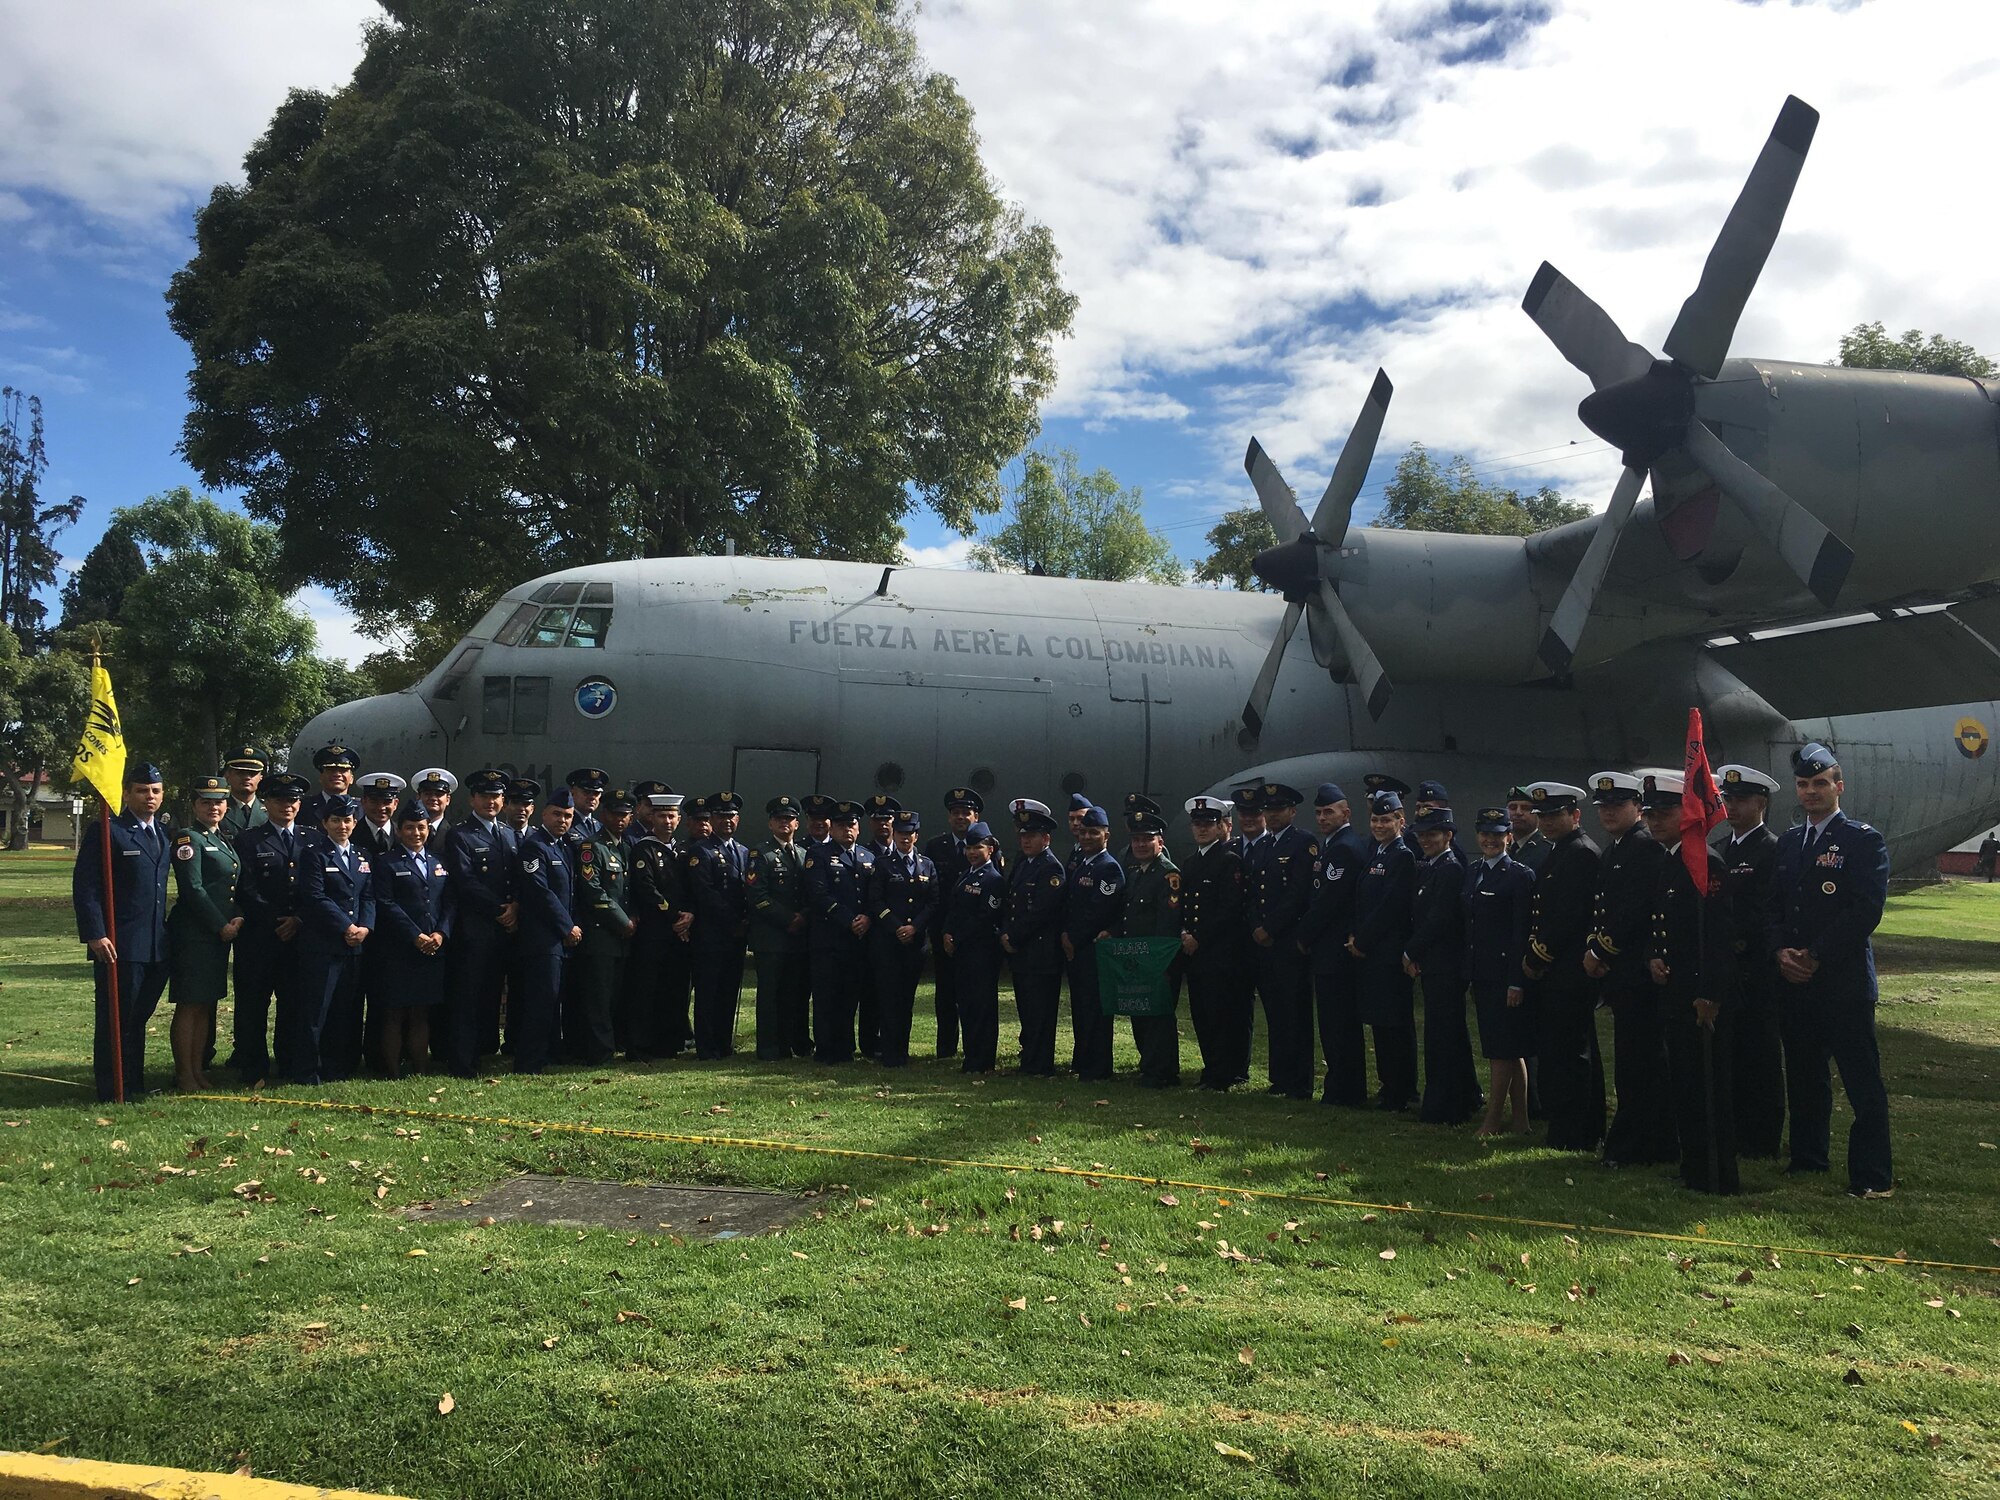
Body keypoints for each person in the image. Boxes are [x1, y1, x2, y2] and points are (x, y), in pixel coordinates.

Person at [1766, 742, 1893, 1197]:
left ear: (1839, 786)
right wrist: (1781, 951)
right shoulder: (1789, 843)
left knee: (1861, 1080)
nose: (1811, 792)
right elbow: (1775, 907)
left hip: (1842, 982)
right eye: (1803, 784)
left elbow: (1865, 911)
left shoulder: (1862, 840)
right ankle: (1808, 1157)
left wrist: (1815, 954)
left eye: (1820, 783)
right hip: (1795, 981)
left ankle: (1873, 1175)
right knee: (1804, 1073)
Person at [1642, 773, 1737, 1194]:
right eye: (1650, 814)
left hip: (1699, 995)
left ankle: (1714, 1174)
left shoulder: (1706, 863)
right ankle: (1692, 1164)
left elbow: (1717, 936)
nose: (1654, 821)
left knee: (1706, 1086)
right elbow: (1662, 925)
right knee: (1683, 1081)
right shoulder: (1670, 859)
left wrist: (1710, 994)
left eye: (1663, 813)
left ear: (1688, 814)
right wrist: (1654, 957)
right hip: (1675, 990)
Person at [1585, 770, 1674, 1168]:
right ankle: (1640, 1139)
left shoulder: (1643, 848)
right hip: (1621, 974)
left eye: (1617, 805)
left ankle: (1641, 1143)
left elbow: (1636, 912)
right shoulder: (1617, 848)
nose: (1608, 813)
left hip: (1638, 973)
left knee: (1642, 1064)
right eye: (1603, 806)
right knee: (1631, 1061)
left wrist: (1601, 950)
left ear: (1637, 808)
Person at [74, 761, 173, 1101]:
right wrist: (95, 933)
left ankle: (134, 1083)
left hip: (155, 945)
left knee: (138, 1017)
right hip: (119, 942)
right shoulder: (107, 830)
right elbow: (86, 886)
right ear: (127, 793)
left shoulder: (162, 833)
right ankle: (112, 1086)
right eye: (142, 791)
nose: (150, 796)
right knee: (117, 1019)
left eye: (155, 791)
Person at [1519, 782, 1604, 1151]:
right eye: (1542, 816)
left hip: (1570, 968)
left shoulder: (1581, 853)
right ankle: (1568, 1124)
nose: (1547, 822)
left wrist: (1538, 955)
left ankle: (1577, 1131)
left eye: (1555, 815)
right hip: (1558, 969)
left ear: (1575, 815)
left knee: (1573, 1053)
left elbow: (1568, 916)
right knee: (1561, 1050)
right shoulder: (1559, 851)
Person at [1714, 764, 1784, 1157]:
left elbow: (1763, 910)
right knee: (1731, 1053)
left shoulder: (1771, 849)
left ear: (1761, 803)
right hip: (1727, 969)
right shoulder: (1723, 848)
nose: (1733, 806)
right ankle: (1736, 1129)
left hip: (1754, 968)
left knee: (1759, 1056)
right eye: (1728, 799)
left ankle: (1761, 1138)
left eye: (1741, 800)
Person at [232, 771, 309, 1085]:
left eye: (292, 800)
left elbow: (318, 885)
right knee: (253, 1005)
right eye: (279, 800)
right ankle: (252, 1066)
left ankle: (289, 1063)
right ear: (266, 803)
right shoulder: (249, 840)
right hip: (260, 937)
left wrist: (299, 919)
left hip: (300, 936)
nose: (287, 806)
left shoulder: (312, 838)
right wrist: (276, 921)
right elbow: (246, 888)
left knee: (293, 1004)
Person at [439, 768, 517, 1077]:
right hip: (475, 930)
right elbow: (466, 881)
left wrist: (517, 907)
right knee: (468, 998)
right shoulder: (461, 834)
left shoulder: (509, 834)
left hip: (506, 930)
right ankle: (462, 1060)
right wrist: (501, 909)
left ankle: (484, 1053)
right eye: (484, 796)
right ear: (472, 799)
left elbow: (518, 877)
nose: (491, 801)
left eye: (496, 796)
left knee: (492, 996)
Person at [167, 775, 242, 1092]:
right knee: (190, 1004)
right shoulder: (189, 839)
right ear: (195, 805)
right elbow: (193, 890)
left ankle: (198, 1071)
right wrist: (220, 925)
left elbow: (228, 887)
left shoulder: (221, 838)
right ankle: (185, 1074)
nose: (214, 807)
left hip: (217, 937)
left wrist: (237, 915)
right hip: (195, 934)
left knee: (205, 1004)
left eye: (219, 802)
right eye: (206, 802)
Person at [1464, 807, 1535, 1137]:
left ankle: (1493, 1120)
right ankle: (1521, 1121)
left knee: (1500, 1050)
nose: (1489, 840)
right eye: (1484, 834)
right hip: (1482, 971)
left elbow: (1521, 932)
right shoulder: (1474, 870)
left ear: (1508, 836)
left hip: (1504, 974)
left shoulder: (1519, 875)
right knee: (1508, 1048)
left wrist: (1516, 981)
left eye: (1496, 834)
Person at [293, 793, 374, 1085]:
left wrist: (365, 926)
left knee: (345, 1009)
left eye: (348, 820)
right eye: (336, 820)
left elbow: (367, 895)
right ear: (325, 823)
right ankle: (307, 1069)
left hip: (354, 945)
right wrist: (345, 926)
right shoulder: (314, 854)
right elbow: (314, 897)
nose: (343, 826)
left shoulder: (361, 855)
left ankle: (337, 1066)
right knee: (316, 1010)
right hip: (324, 944)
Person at [1409, 805, 1480, 1124]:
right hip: (1436, 962)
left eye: (1433, 834)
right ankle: (1459, 1096)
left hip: (1445, 963)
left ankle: (1446, 1105)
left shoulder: (1449, 868)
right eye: (1422, 835)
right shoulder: (1433, 867)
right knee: (1445, 1032)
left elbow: (1439, 918)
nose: (1426, 840)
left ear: (1448, 835)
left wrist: (1411, 951)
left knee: (1443, 1034)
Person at [1298, 782, 1368, 1107]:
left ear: (1346, 813)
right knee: (1332, 1023)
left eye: (1329, 812)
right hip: (1328, 950)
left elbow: (1329, 900)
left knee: (1339, 1024)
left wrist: (1303, 936)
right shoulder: (1331, 845)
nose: (1322, 817)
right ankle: (1340, 1085)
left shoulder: (1344, 848)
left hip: (1335, 952)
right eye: (1319, 813)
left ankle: (1344, 1090)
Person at [372, 800, 452, 1076]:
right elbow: (385, 903)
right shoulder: (386, 862)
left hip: (433, 947)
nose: (416, 833)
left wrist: (441, 933)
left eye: (421, 827)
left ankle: (420, 1068)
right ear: (399, 829)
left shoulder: (439, 862)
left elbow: (449, 903)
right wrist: (414, 935)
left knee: (421, 1012)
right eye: (409, 828)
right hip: (399, 949)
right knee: (395, 1013)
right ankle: (392, 1070)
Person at [1348, 789, 1417, 1109]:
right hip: (1373, 953)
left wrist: (1362, 941)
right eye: (1375, 819)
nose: (1379, 824)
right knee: (1380, 1023)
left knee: (1394, 1024)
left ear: (1400, 821)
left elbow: (1391, 907)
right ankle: (1389, 1085)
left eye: (1386, 819)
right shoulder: (1377, 852)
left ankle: (1401, 1089)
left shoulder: (1402, 856)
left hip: (1388, 952)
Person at [1248, 781, 1315, 1099]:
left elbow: (1298, 894)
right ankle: (1280, 1076)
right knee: (1275, 1013)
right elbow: (1252, 893)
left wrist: (1271, 928)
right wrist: (1255, 926)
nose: (1272, 815)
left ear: (1292, 811)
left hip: (1288, 942)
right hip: (1264, 944)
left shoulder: (1303, 843)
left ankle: (1299, 1080)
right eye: (1268, 810)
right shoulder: (1262, 847)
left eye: (1278, 809)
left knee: (1295, 1013)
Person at [1180, 794, 1248, 1091]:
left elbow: (1229, 910)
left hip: (1219, 952)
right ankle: (1211, 1069)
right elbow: (1183, 905)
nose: (1202, 829)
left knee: (1221, 1015)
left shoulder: (1229, 861)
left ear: (1221, 826)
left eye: (1209, 823)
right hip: (1194, 954)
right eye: (1198, 824)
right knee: (1202, 1015)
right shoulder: (1190, 862)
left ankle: (1223, 1073)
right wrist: (1184, 933)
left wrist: (1199, 938)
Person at [512, 785, 580, 1074]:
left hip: (561, 940)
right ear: (544, 814)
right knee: (541, 1001)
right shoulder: (535, 845)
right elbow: (540, 892)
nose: (562, 820)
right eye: (556, 815)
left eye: (567, 816)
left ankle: (550, 1054)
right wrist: (567, 927)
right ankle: (529, 1061)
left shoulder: (564, 846)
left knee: (554, 1000)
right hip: (543, 938)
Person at [804, 800, 875, 1062]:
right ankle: (825, 1049)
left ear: (858, 828)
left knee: (849, 996)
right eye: (842, 825)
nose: (847, 829)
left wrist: (867, 917)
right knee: (825, 996)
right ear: (832, 828)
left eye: (852, 824)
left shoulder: (868, 856)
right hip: (829, 938)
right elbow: (818, 894)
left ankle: (845, 1048)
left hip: (857, 940)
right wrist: (849, 919)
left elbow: (873, 895)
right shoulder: (818, 854)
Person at [1002, 798, 1067, 1076]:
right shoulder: (1024, 862)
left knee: (1040, 1011)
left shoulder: (1050, 868)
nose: (1026, 840)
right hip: (1023, 953)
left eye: (1032, 836)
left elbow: (1042, 911)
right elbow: (1011, 900)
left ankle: (1040, 1063)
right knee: (1027, 1008)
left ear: (1046, 838)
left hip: (1040, 952)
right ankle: (1029, 1057)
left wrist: (1012, 937)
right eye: (1023, 835)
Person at [568, 792, 634, 1065]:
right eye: (615, 814)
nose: (620, 820)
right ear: (603, 814)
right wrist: (623, 921)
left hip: (622, 938)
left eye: (625, 815)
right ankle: (599, 1052)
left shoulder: (625, 848)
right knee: (598, 997)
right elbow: (593, 891)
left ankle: (611, 1045)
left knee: (614, 996)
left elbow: (629, 892)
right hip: (600, 934)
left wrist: (634, 917)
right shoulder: (591, 847)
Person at [1120, 804, 1183, 1087]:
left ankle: (1163, 1072)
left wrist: (1159, 963)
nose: (1141, 844)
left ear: (1161, 842)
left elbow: (1167, 923)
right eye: (1136, 840)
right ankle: (1149, 1066)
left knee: (1158, 1016)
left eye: (1147, 839)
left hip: (1158, 959)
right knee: (1141, 1013)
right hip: (1137, 957)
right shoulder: (1137, 873)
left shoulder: (1168, 875)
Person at [626, 790, 691, 1059]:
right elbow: (647, 890)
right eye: (662, 815)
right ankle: (641, 1045)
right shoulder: (644, 849)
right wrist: (676, 916)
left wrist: (691, 914)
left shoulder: (683, 850)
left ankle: (670, 1041)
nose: (667, 821)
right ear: (652, 817)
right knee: (647, 989)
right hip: (655, 932)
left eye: (672, 816)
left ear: (678, 819)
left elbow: (691, 888)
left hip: (679, 934)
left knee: (673, 989)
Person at [869, 810, 938, 1067]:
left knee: (906, 999)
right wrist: (897, 927)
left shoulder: (927, 865)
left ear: (916, 835)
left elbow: (933, 902)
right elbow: (875, 900)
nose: (905, 838)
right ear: (894, 834)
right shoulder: (883, 865)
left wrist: (915, 928)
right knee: (888, 998)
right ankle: (888, 1052)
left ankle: (902, 1050)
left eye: (910, 834)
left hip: (914, 945)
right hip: (888, 942)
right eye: (900, 833)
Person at [747, 794, 813, 1060]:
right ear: (770, 823)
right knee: (770, 994)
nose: (784, 823)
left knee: (792, 994)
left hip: (797, 939)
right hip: (771, 937)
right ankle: (768, 1047)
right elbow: (757, 897)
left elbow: (811, 894)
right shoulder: (760, 854)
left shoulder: (804, 854)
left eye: (789, 819)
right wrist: (790, 919)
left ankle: (787, 1044)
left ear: (797, 824)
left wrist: (804, 916)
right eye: (779, 819)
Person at [923, 788, 986, 1059]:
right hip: (942, 931)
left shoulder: (986, 846)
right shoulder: (935, 846)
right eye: (956, 813)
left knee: (972, 992)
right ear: (949, 817)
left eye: (966, 812)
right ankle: (945, 1048)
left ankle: (975, 1046)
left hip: (973, 934)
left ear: (976, 816)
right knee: (945, 991)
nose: (961, 817)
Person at [1063, 804, 1124, 1081]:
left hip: (1094, 949)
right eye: (1084, 832)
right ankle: (1082, 1060)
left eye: (1094, 833)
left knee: (1096, 1011)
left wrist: (1072, 937)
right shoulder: (1082, 864)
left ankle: (1097, 1067)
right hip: (1078, 949)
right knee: (1081, 1007)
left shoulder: (1108, 868)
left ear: (1106, 835)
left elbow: (1098, 912)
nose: (1087, 837)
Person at [941, 822, 1005, 1074]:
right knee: (966, 1004)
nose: (972, 852)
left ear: (990, 849)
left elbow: (985, 916)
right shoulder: (966, 874)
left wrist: (957, 937)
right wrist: (947, 932)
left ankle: (982, 1058)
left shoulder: (993, 879)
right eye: (968, 847)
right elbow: (954, 908)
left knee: (981, 1006)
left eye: (977, 847)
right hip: (963, 951)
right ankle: (971, 1057)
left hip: (981, 951)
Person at [298, 744, 358, 838]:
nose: (337, 774)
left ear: (351, 779)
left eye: (343, 770)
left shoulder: (362, 809)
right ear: (321, 777)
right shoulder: (303, 807)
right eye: (331, 770)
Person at [219, 744, 268, 840]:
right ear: (227, 776)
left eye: (252, 773)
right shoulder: (217, 810)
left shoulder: (271, 811)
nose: (247, 777)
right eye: (240, 773)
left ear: (260, 778)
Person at [1505, 786, 1553, 873]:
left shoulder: (1548, 850)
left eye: (1525, 808)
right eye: (1512, 807)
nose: (1518, 812)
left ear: (1537, 813)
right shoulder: (1500, 846)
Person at [412, 767, 458, 840]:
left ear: (448, 800)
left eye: (438, 794)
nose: (433, 798)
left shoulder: (456, 834)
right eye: (427, 794)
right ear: (418, 797)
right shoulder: (404, 833)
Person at [566, 767, 610, 840]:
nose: (592, 797)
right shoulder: (564, 824)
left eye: (596, 793)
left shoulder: (600, 827)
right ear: (572, 792)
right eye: (586, 792)